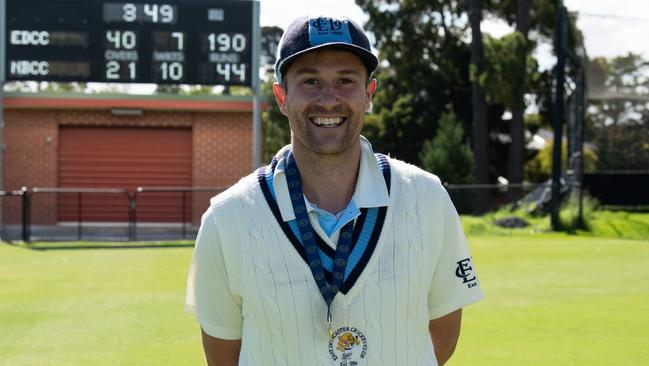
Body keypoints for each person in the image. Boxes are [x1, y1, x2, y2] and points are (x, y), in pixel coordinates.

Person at [186, 14, 483, 366]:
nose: (328, 99)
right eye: (310, 81)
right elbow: (223, 356)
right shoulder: (226, 218)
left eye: (345, 80)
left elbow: (442, 337)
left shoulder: (427, 198)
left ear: (368, 94)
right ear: (281, 96)